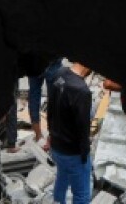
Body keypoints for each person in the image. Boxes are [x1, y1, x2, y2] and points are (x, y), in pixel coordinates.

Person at [47, 61, 95, 203]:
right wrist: (85, 154)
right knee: (81, 194)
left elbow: (50, 108)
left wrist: (51, 135)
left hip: (57, 146)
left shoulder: (59, 73)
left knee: (62, 179)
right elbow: (83, 129)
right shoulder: (82, 91)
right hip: (73, 153)